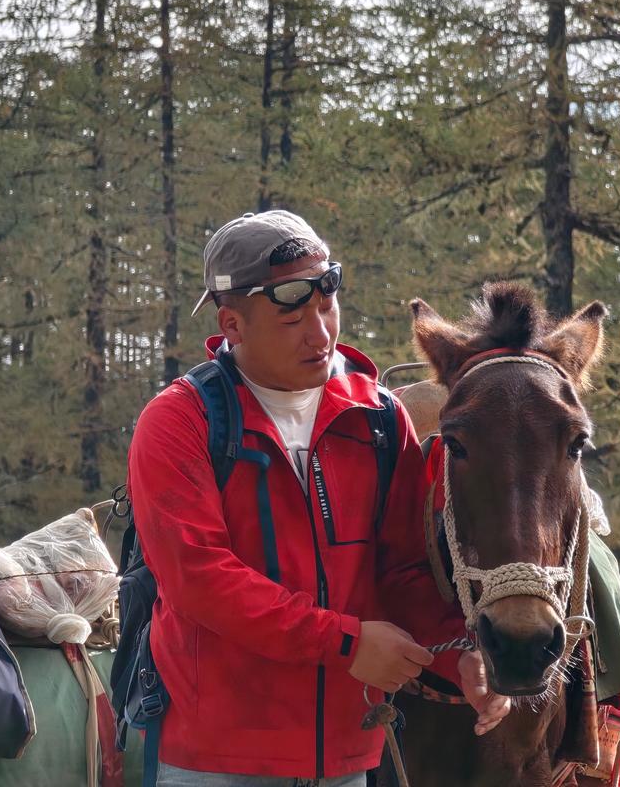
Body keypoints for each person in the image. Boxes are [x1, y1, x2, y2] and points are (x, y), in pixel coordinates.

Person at [128, 210, 509, 786]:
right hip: (215, 762)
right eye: (292, 317)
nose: (321, 334)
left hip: (347, 758)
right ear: (232, 325)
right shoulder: (180, 421)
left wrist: (461, 659)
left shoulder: (378, 419)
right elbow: (199, 579)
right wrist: (346, 644)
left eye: (327, 306)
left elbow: (401, 572)